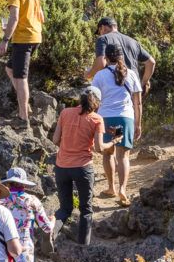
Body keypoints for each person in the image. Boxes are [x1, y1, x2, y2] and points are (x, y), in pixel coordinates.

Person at [51, 86, 122, 245]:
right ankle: (83, 248)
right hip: (83, 167)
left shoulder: (65, 113)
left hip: (62, 166)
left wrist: (69, 145)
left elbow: (55, 140)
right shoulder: (97, 119)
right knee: (86, 210)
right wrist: (114, 141)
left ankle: (51, 233)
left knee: (64, 209)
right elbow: (99, 148)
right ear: (97, 103)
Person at [91, 45, 143, 206]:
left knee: (108, 154)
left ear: (105, 58)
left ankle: (110, 187)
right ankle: (122, 189)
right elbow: (138, 102)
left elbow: (93, 100)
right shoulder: (132, 74)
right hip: (124, 118)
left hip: (105, 118)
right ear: (122, 57)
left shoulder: (99, 76)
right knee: (123, 156)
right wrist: (138, 124)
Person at [0, 0, 45, 127]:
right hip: (35, 35)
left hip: (24, 39)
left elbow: (14, 17)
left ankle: (23, 118)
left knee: (21, 77)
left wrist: (5, 39)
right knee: (10, 69)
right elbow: (42, 16)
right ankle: (26, 107)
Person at [85, 16, 155, 94]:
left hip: (115, 90)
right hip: (134, 89)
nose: (99, 34)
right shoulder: (132, 41)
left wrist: (88, 74)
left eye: (99, 32)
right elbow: (151, 62)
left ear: (102, 27)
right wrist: (144, 82)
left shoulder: (103, 39)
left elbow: (101, 63)